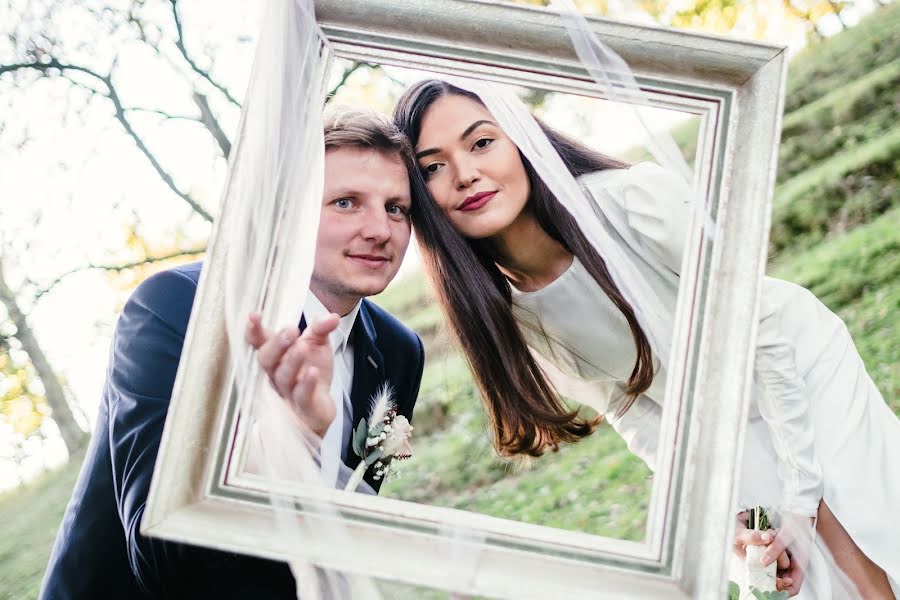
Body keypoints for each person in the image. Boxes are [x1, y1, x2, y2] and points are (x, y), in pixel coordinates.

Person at [392, 79, 899, 599]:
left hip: (795, 364)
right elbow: (631, 408)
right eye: (433, 167)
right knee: (779, 563)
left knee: (845, 521)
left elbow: (762, 332)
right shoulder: (504, 312)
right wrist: (720, 517)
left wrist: (800, 496)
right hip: (709, 426)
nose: (465, 174)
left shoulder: (633, 202)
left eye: (481, 142)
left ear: (520, 137)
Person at [40, 109, 425, 600]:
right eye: (346, 202)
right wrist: (291, 436)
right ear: (286, 215)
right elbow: (160, 552)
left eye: (396, 208)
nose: (380, 230)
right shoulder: (177, 309)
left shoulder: (400, 351)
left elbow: (353, 512)